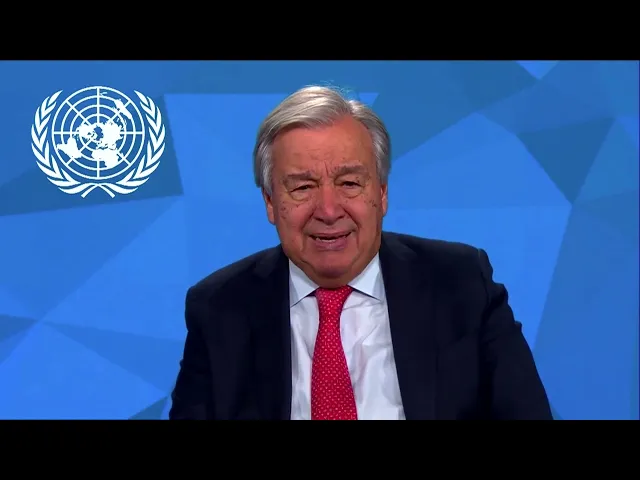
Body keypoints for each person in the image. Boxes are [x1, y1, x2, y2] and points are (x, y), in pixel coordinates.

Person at [169, 85, 553, 420]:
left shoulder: (462, 283)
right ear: (270, 202)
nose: (328, 210)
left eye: (350, 183)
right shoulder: (219, 309)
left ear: (382, 193)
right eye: (302, 187)